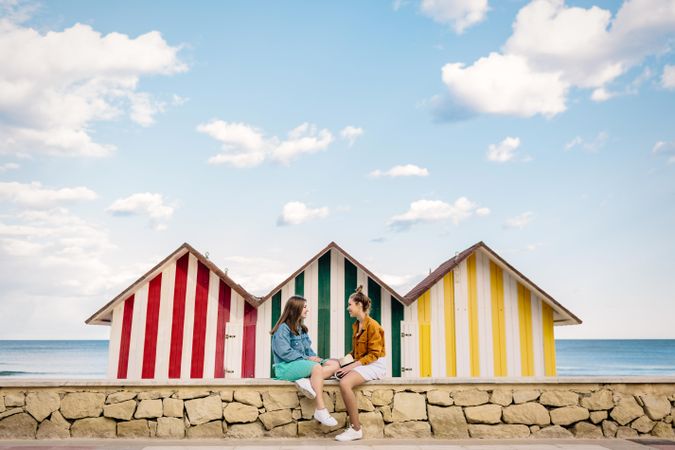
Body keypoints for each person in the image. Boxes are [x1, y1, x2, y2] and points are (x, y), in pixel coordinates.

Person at [270, 295, 340, 426]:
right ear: (295, 309)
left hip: (301, 364)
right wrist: (309, 360)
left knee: (334, 364)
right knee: (316, 368)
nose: (307, 310)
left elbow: (309, 351)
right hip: (285, 367)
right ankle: (320, 409)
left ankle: (306, 381)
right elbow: (284, 352)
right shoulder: (283, 329)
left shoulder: (302, 329)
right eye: (304, 307)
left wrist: (320, 360)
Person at [334, 285, 386, 442]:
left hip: (376, 364)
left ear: (359, 305)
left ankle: (356, 429)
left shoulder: (373, 326)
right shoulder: (357, 325)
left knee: (344, 383)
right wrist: (343, 361)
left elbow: (374, 354)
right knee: (334, 364)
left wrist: (350, 366)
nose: (347, 308)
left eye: (350, 304)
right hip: (363, 363)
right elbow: (357, 353)